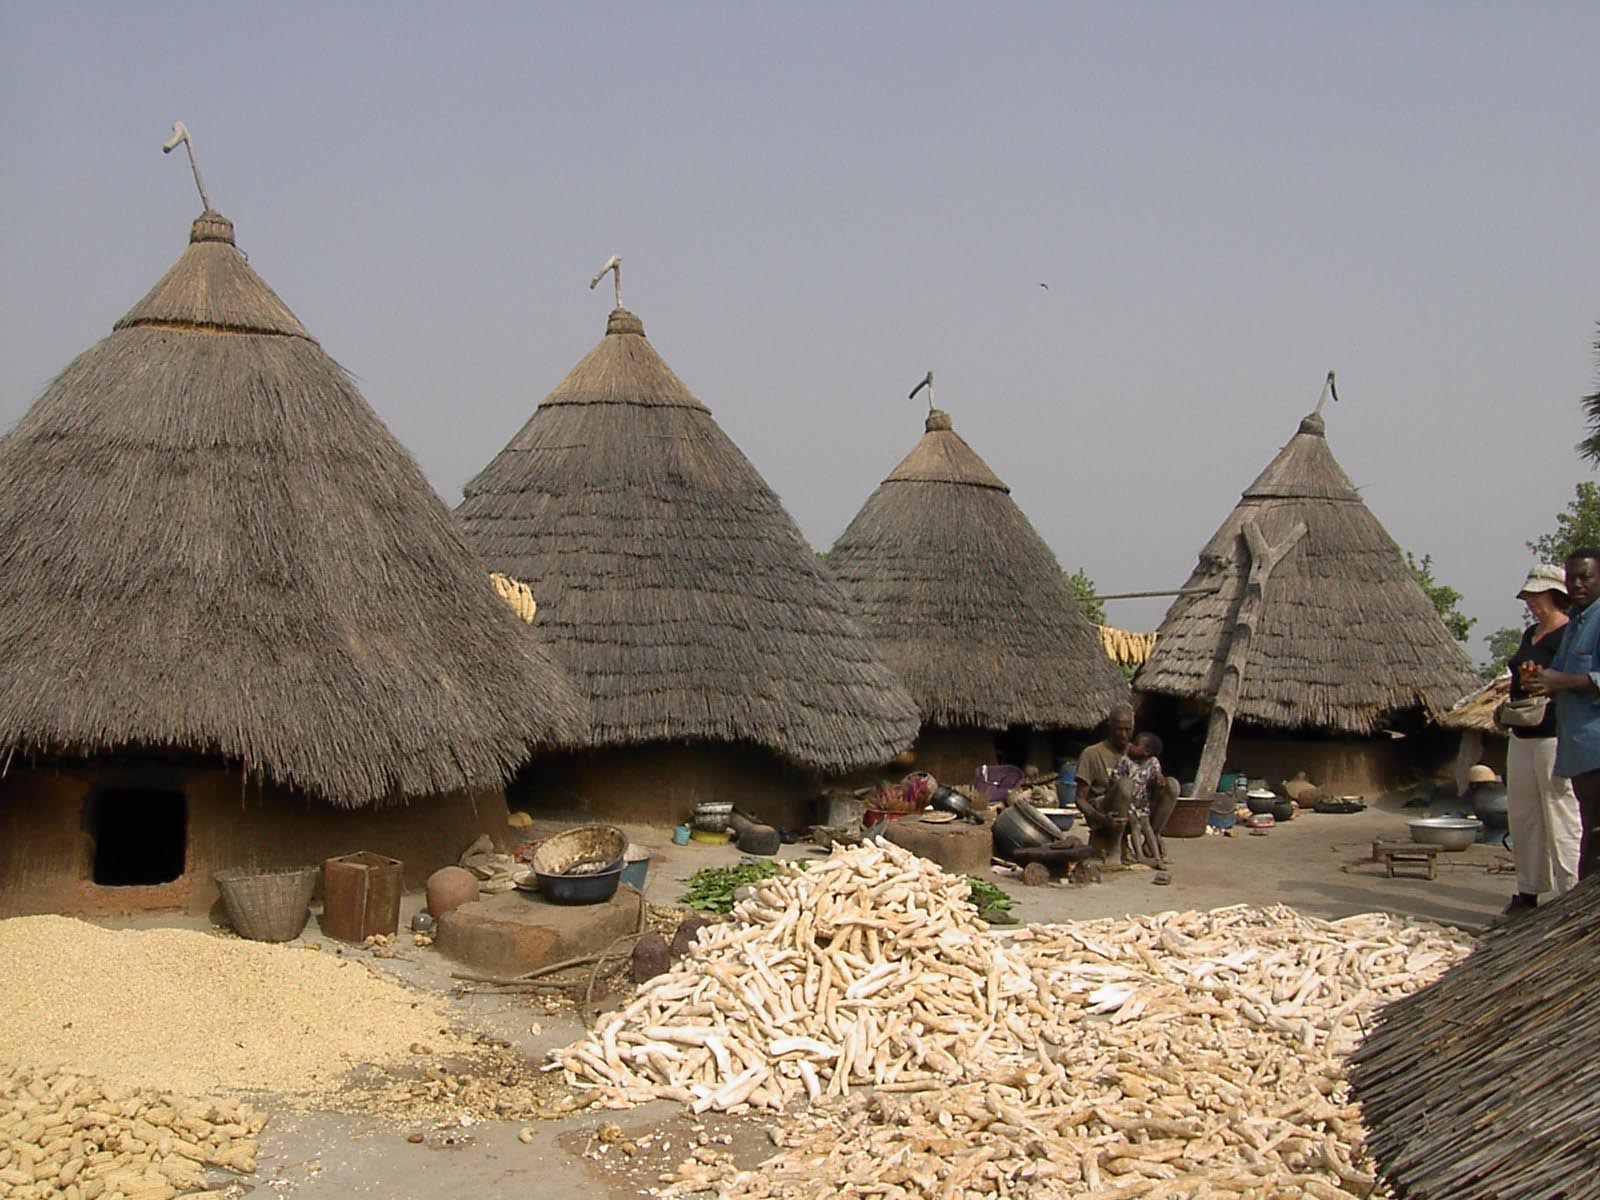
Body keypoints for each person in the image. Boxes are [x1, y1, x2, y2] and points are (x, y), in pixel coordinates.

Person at [1495, 564, 1580, 915]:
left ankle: (1570, 892)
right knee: (1524, 814)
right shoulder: (1531, 633)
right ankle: (1528, 889)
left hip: (1553, 733)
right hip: (1523, 731)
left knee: (1560, 812)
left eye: (1537, 597)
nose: (1532, 603)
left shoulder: (1570, 633)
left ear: (1554, 596)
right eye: (1529, 597)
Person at [1527, 548, 1600, 881]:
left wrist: (1562, 681)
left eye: (1586, 577)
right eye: (1572, 579)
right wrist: (1543, 681)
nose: (1578, 585)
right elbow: (1562, 675)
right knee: (1591, 830)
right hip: (1578, 747)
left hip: (1595, 746)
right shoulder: (1576, 625)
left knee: (1593, 836)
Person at [1075, 707, 1180, 860]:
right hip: (1108, 812)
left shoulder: (1141, 751)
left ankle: (1153, 837)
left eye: (1127, 730)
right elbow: (1080, 799)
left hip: (1137, 809)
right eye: (1119, 729)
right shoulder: (1091, 754)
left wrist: (1158, 782)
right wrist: (1100, 818)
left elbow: (1151, 777)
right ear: (1110, 727)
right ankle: (1116, 845)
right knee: (1125, 783)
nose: (1123, 735)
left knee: (1172, 785)